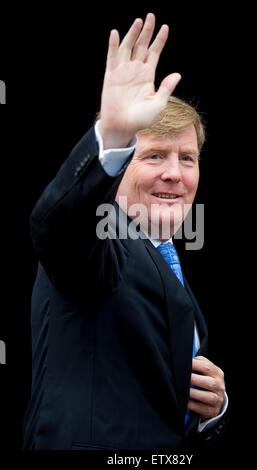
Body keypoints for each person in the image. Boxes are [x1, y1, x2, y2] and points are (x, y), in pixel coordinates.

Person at [23, 13, 228, 450]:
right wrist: (114, 135)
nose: (175, 174)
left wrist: (214, 410)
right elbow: (55, 226)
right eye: (154, 156)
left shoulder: (166, 259)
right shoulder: (98, 242)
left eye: (187, 159)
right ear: (119, 169)